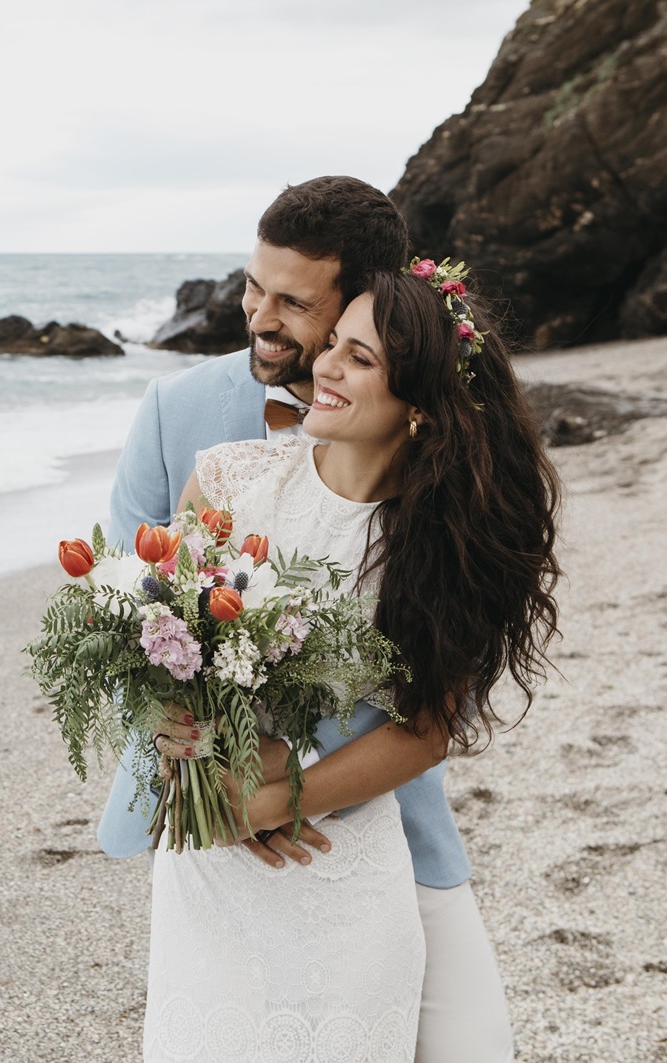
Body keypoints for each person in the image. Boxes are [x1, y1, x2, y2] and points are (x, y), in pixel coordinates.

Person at [101, 179, 522, 1061]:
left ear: (368, 303)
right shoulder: (191, 426)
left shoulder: (441, 497)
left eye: (297, 305)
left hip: (378, 809)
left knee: (467, 1045)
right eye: (255, 287)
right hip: (210, 800)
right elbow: (127, 608)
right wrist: (211, 766)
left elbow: (439, 707)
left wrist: (288, 794)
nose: (262, 317)